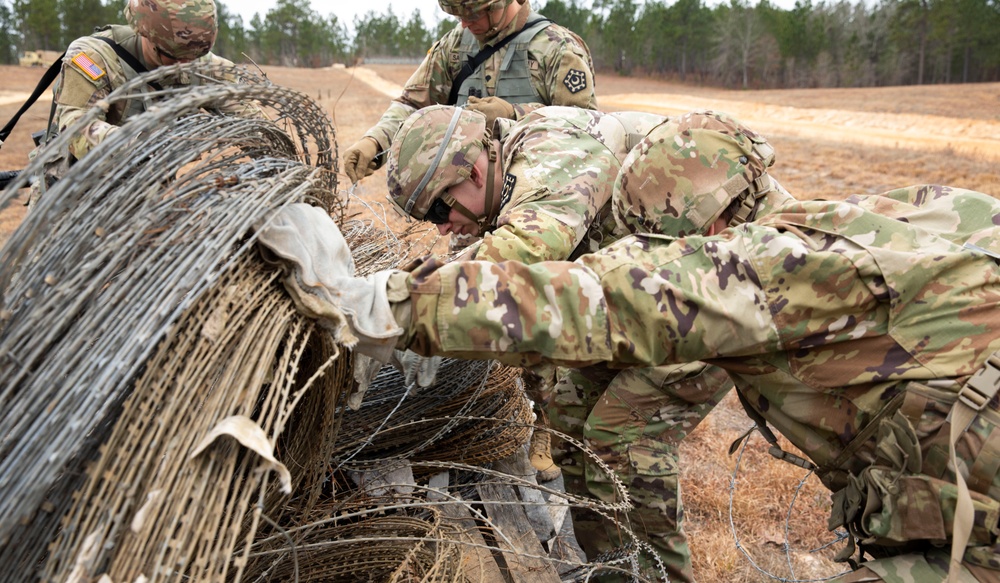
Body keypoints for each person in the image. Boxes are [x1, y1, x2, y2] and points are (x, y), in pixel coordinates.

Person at [257, 110, 1000, 582]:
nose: (446, 225)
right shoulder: (883, 220)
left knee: (619, 433)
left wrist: (384, 303)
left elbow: (603, 298)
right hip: (951, 487)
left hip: (969, 518)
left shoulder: (769, 275)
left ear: (702, 235)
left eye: (663, 247)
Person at [341, 0, 598, 187]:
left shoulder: (557, 48)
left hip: (539, 202)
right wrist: (375, 142)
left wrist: (513, 115)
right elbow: (413, 104)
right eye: (458, 15)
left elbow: (585, 128)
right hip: (468, 211)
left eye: (472, 15)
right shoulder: (456, 45)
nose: (464, 23)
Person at [29, 0, 256, 205]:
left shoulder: (203, 64)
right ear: (145, 34)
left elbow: (252, 123)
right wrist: (149, 145)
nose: (184, 65)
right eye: (173, 57)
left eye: (193, 57)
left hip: (143, 195)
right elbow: (76, 128)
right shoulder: (94, 57)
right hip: (71, 193)